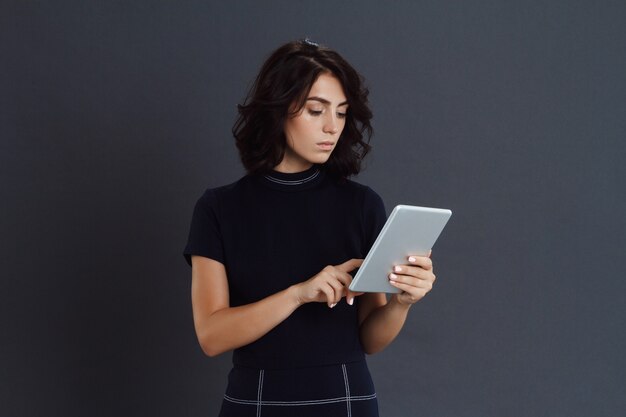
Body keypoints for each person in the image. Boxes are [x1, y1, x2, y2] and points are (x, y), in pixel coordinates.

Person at [183, 39, 436, 417]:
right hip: (255, 401)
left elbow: (369, 337)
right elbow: (211, 336)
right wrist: (298, 294)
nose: (332, 127)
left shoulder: (362, 206)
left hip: (347, 400)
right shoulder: (219, 208)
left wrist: (402, 302)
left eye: (341, 112)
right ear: (278, 109)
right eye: (316, 110)